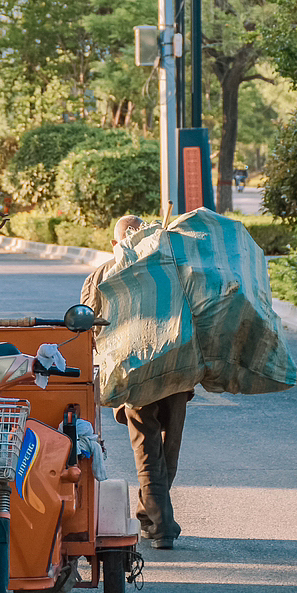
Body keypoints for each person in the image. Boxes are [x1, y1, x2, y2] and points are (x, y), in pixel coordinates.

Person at [81, 214, 193, 551]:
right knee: (167, 450)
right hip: (177, 370)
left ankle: (157, 522)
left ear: (114, 244)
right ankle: (158, 520)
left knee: (148, 449)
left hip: (135, 374)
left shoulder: (101, 275)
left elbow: (88, 326)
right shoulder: (171, 267)